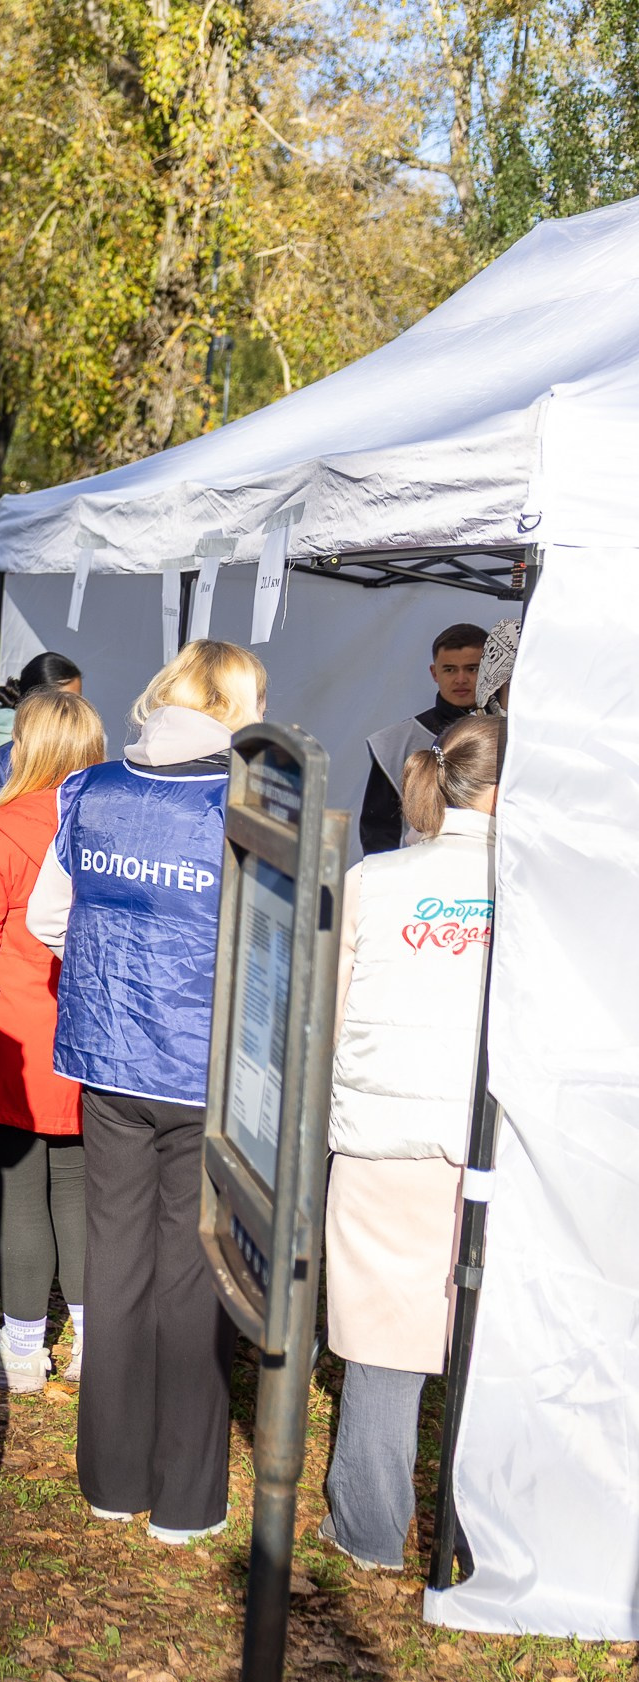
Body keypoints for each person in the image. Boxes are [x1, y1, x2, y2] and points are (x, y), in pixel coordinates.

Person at [28, 637, 267, 1545]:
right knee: (193, 1265)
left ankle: (113, 1477)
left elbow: (53, 916)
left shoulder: (91, 789)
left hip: (109, 1057)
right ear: (235, 704)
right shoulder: (244, 799)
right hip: (207, 1067)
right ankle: (186, 1495)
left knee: (116, 1256)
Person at [319, 714, 503, 1571]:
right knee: (495, 1344)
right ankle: (482, 1538)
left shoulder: (375, 878)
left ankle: (368, 1531)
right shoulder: (532, 890)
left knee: (387, 1343)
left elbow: (330, 1005)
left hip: (381, 1138)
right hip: (494, 1149)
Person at [0, 690, 107, 1392]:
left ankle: (21, 1350)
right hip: (90, 1027)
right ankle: (93, 1347)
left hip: (10, 1033)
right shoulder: (109, 828)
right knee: (75, 1187)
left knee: (18, 1187)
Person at [358, 622, 485, 855]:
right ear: (434, 673)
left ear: (489, 669)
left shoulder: (512, 736)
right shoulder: (394, 743)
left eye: (472, 669)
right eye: (449, 669)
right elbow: (378, 835)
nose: (460, 679)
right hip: (418, 878)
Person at [0, 652, 83, 815]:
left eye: (79, 701)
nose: (78, 712)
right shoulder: (0, 762)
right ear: (38, 701)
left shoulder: (38, 748)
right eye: (68, 702)